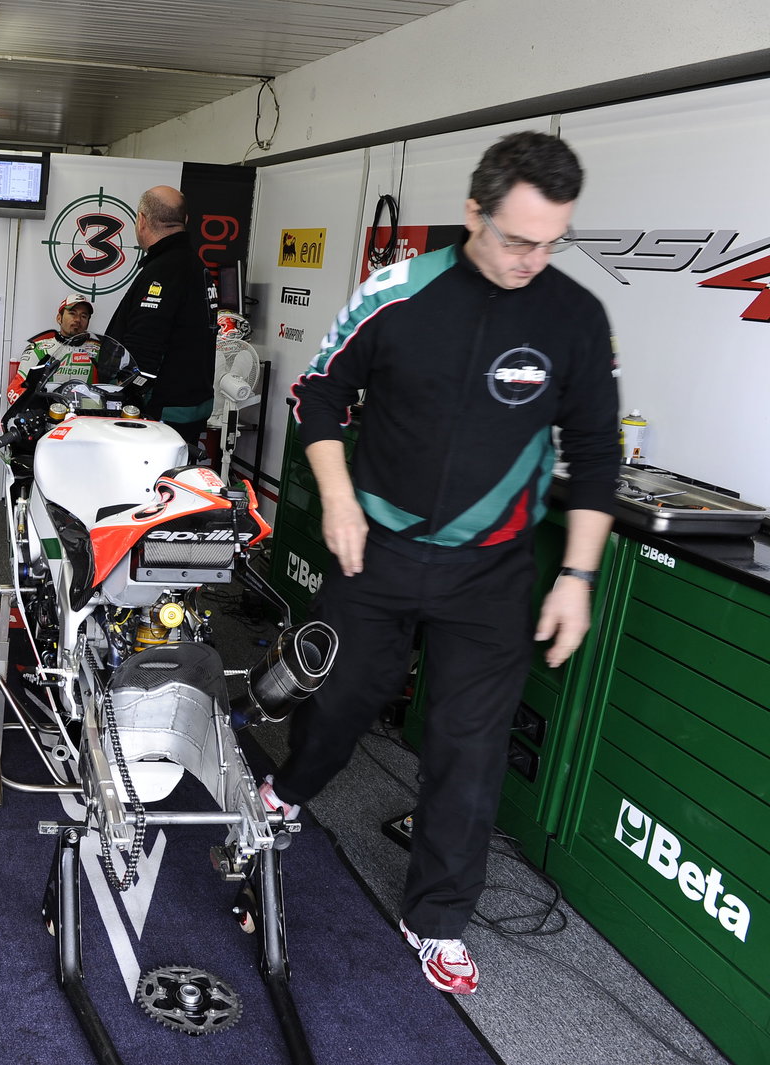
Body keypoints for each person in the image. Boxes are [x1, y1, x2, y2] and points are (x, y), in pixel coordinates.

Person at [266, 131, 620, 995]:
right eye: (516, 238)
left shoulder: (573, 316)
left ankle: (436, 917)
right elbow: (316, 395)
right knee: (341, 699)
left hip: (491, 573)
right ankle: (285, 794)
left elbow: (596, 450)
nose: (532, 258)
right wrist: (340, 499)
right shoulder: (399, 290)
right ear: (474, 211)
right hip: (376, 547)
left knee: (470, 746)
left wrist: (576, 577)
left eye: (551, 241)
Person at [105, 186, 215, 457]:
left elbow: (142, 348)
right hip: (192, 404)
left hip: (161, 412)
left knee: (150, 489)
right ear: (185, 221)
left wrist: (127, 401)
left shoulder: (164, 270)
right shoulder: (196, 266)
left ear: (141, 220)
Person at [8, 295, 98, 400]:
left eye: (83, 316)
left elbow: (112, 390)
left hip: (85, 414)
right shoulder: (38, 349)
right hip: (48, 413)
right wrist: (37, 408)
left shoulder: (98, 351)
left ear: (88, 322)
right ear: (59, 318)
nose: (78, 319)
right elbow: (15, 389)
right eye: (72, 313)